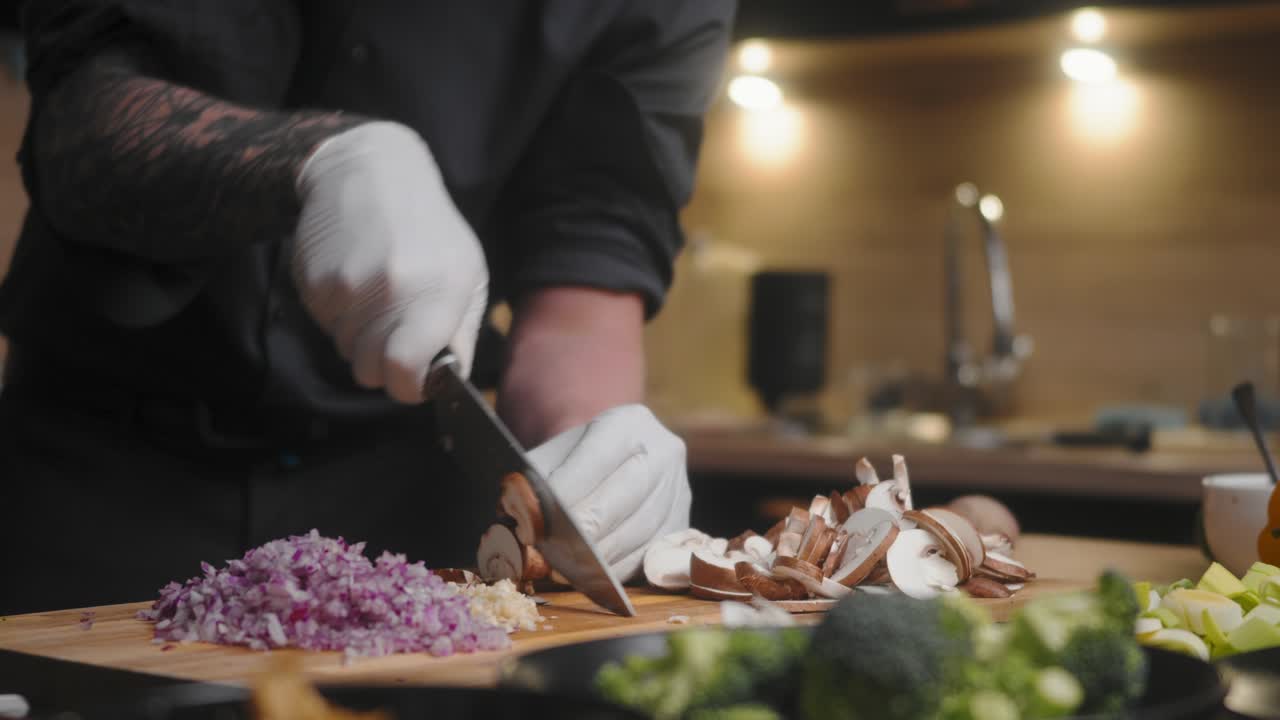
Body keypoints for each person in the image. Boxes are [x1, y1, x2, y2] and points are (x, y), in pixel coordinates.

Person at [0, 2, 735, 615]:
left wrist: (595, 459)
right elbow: (76, 119)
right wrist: (312, 158)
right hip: (91, 466)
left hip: (405, 497)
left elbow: (583, 292)